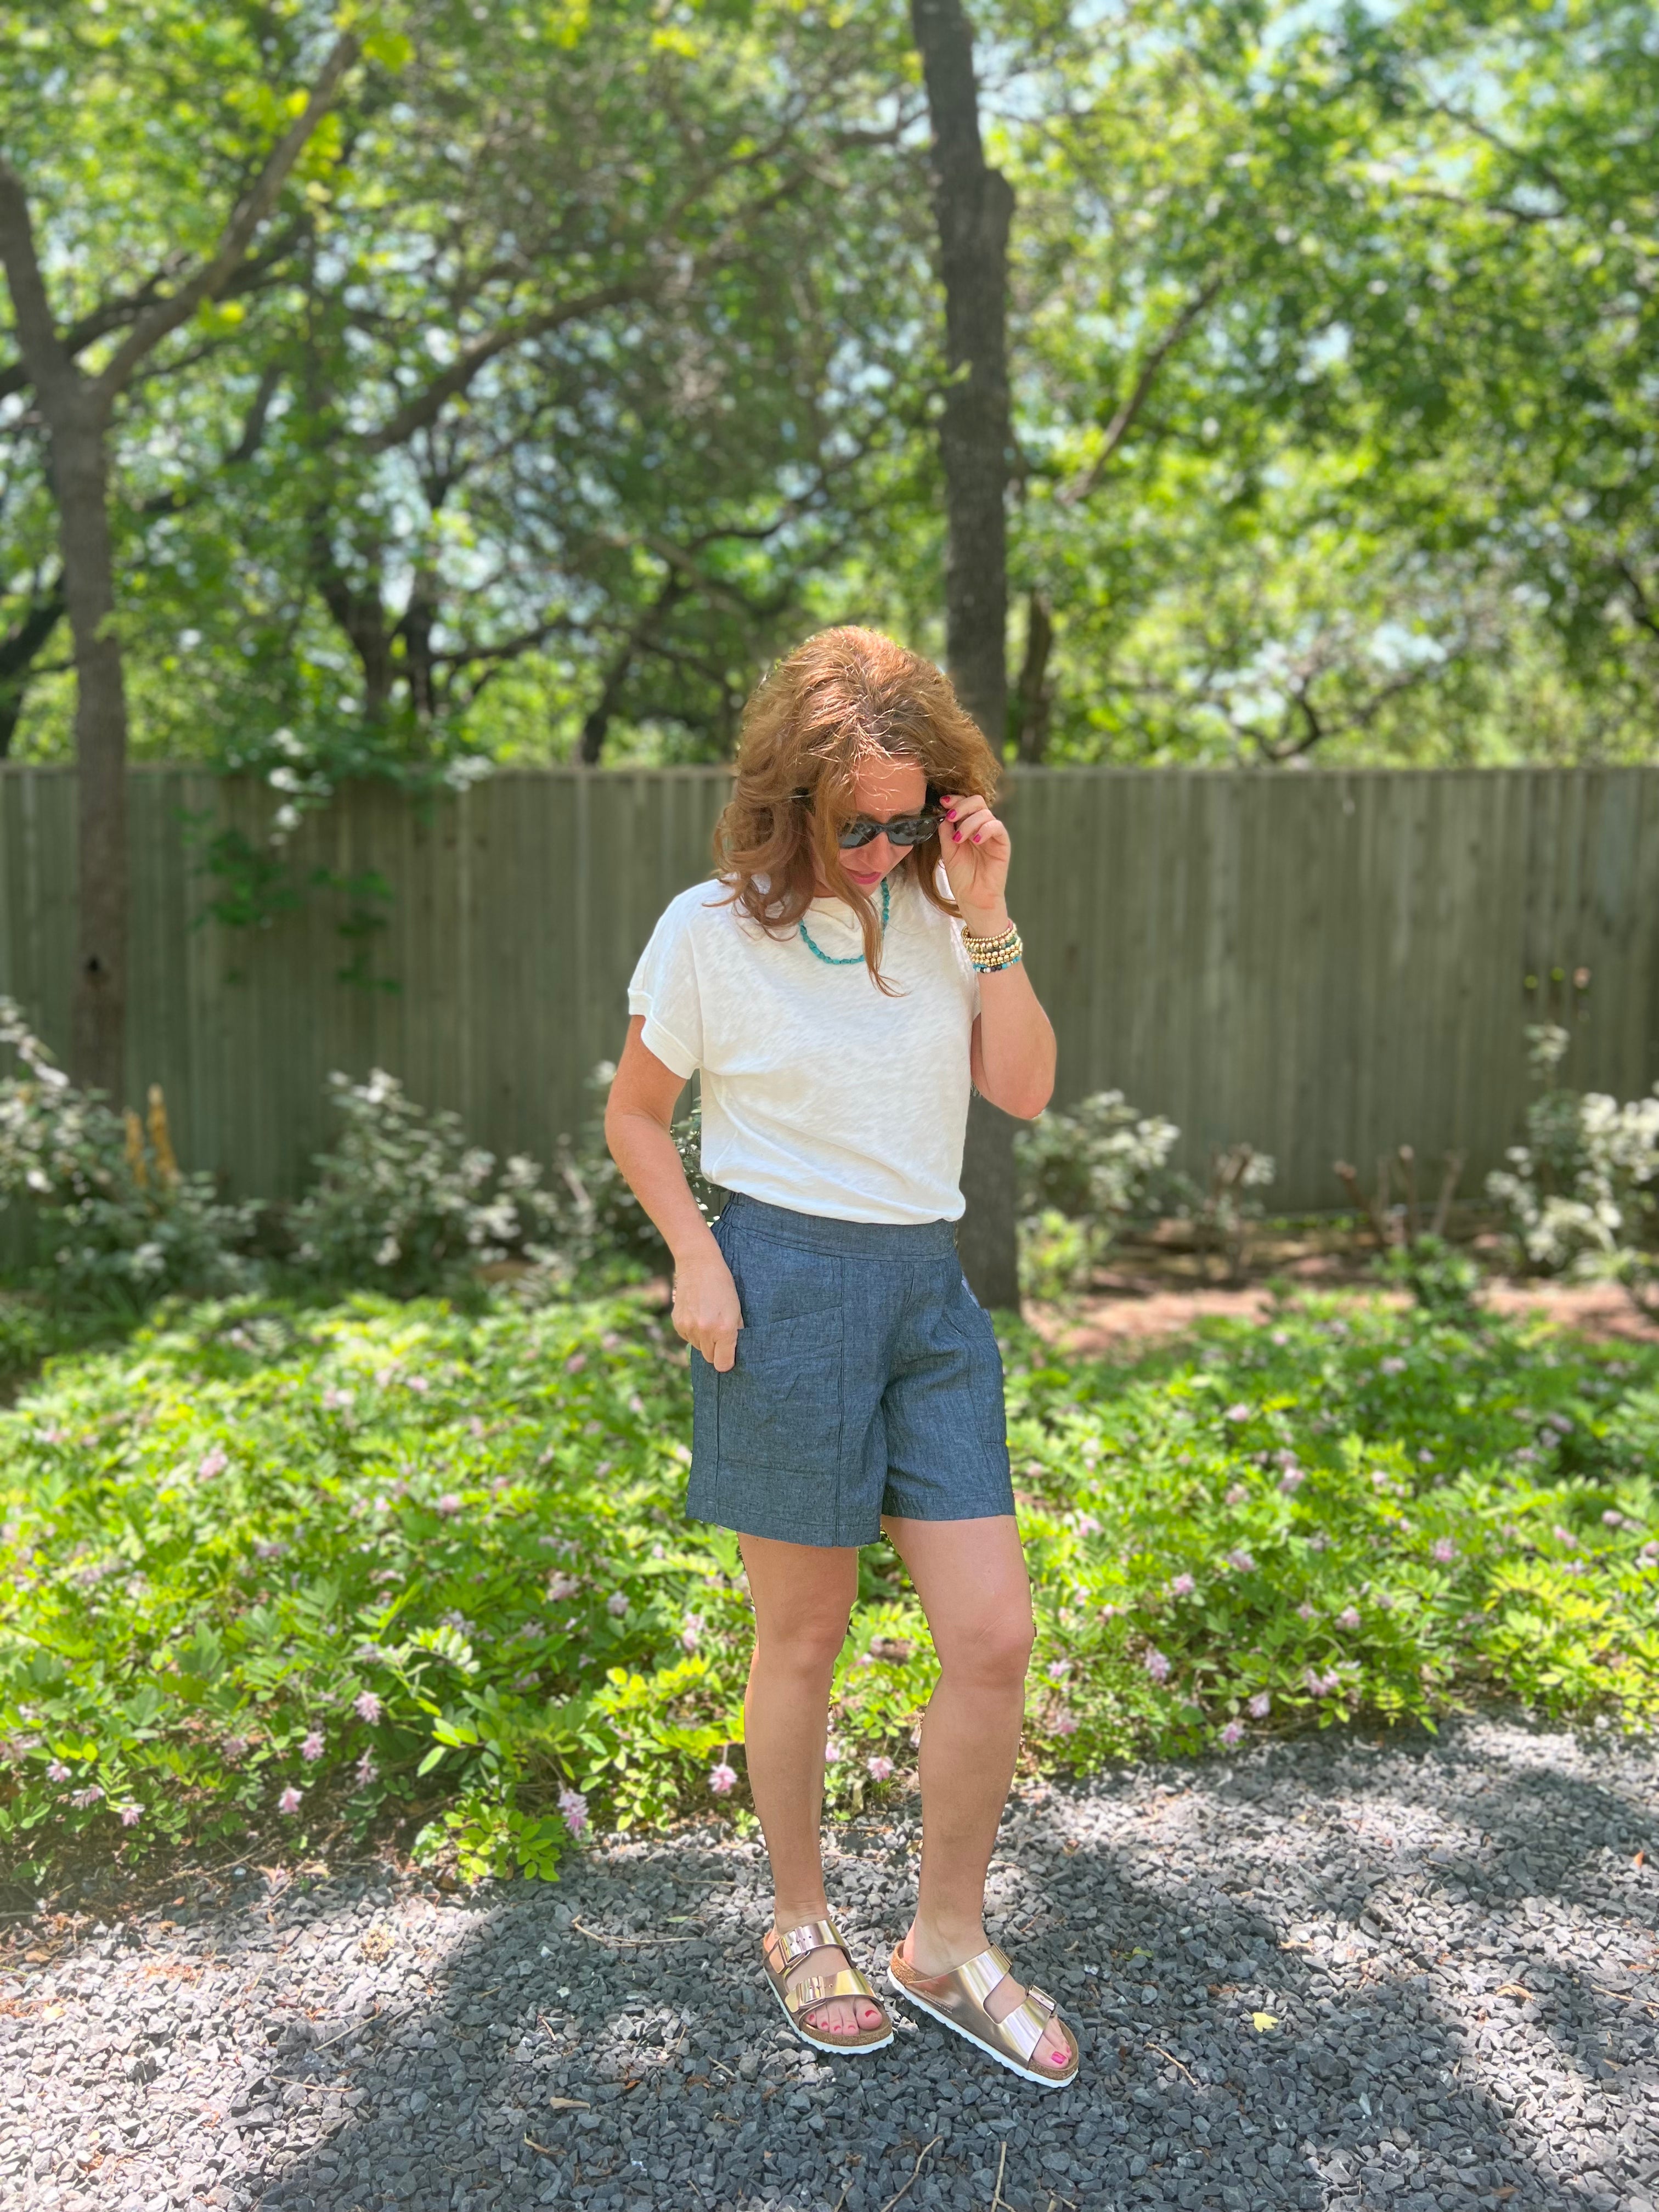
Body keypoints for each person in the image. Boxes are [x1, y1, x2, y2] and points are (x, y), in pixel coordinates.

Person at [604, 627, 1076, 2087]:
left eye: (910, 816)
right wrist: (695, 1252)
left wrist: (986, 909)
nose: (883, 847)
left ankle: (943, 1939)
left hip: (928, 1296)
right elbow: (634, 1116)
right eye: (856, 821)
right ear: (789, 798)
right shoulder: (707, 931)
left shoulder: (947, 911)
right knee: (803, 1633)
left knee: (992, 1635)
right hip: (783, 1286)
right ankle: (800, 1922)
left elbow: (1026, 1092)